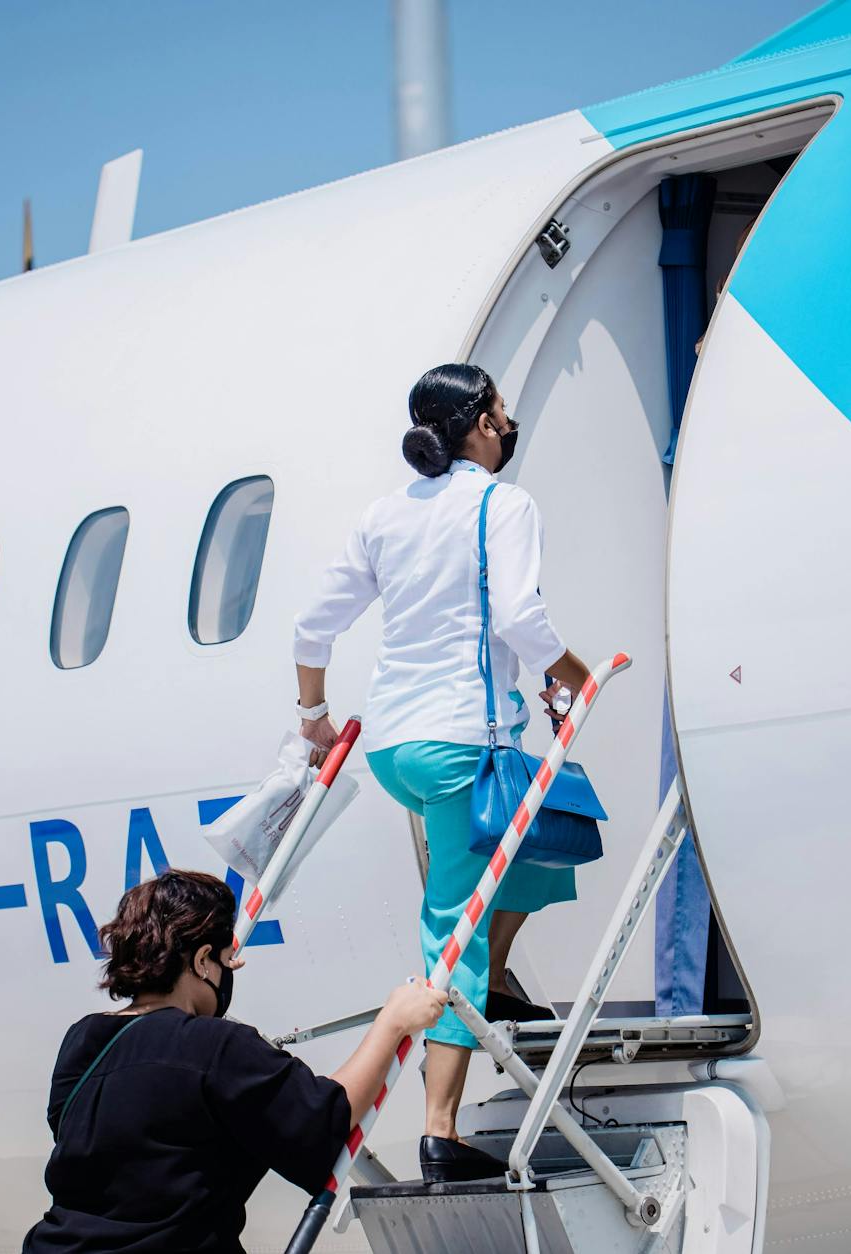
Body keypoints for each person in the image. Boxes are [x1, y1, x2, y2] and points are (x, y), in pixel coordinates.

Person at [290, 362, 595, 1184]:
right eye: (501, 410)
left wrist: (313, 717)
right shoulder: (505, 502)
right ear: (482, 424)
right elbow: (525, 619)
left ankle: (494, 981)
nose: (509, 422)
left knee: (534, 847)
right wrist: (580, 674)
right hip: (465, 742)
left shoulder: (385, 515)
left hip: (398, 745)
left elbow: (312, 626)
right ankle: (440, 1132)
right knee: (451, 924)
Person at [23, 869, 446, 1254]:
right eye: (225, 962)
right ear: (201, 958)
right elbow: (324, 1117)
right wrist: (393, 1023)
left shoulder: (83, 1040)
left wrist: (210, 967)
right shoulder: (213, 1046)